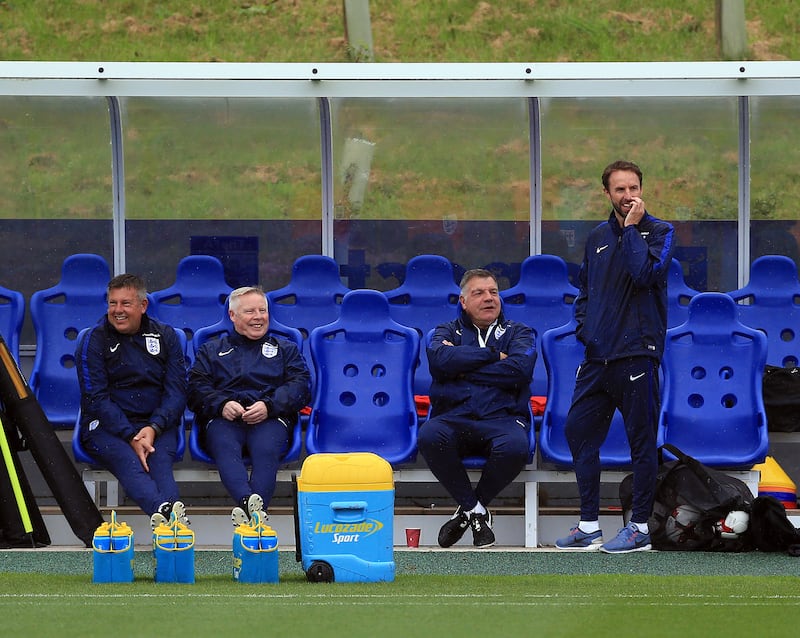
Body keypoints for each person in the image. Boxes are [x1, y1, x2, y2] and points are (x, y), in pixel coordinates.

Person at [554, 159, 675, 554]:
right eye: (620, 190)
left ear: (642, 189)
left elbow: (643, 275)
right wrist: (585, 329)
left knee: (641, 442)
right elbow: (585, 291)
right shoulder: (595, 237)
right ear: (606, 193)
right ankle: (589, 525)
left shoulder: (659, 231)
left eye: (633, 188)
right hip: (598, 356)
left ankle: (639, 527)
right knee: (577, 429)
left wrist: (630, 231)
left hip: (638, 354)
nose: (628, 196)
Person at [418, 269, 535, 548]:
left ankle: (468, 511)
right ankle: (477, 512)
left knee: (517, 446)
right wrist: (493, 356)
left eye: (493, 292)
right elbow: (439, 361)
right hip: (453, 418)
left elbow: (519, 370)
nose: (489, 298)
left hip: (502, 419)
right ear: (463, 301)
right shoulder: (446, 331)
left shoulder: (519, 332)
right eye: (479, 293)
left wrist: (462, 369)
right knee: (429, 436)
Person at [187, 286, 311, 526]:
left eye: (262, 310)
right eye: (250, 311)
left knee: (266, 450)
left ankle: (249, 517)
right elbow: (194, 390)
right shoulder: (211, 350)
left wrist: (269, 405)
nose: (258, 317)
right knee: (224, 445)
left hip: (270, 419)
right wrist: (221, 403)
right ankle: (252, 512)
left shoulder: (285, 349)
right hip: (224, 420)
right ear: (233, 316)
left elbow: (301, 387)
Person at [76, 274, 189, 530]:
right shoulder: (93, 340)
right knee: (129, 462)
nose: (117, 311)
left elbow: (177, 393)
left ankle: (170, 534)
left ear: (143, 305)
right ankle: (170, 519)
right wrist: (130, 435)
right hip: (106, 426)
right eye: (112, 303)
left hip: (156, 425)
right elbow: (96, 398)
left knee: (160, 469)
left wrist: (153, 428)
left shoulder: (166, 336)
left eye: (125, 303)